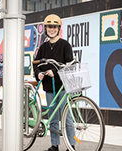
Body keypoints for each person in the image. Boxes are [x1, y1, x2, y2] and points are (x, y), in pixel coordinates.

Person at [33, 14, 76, 151]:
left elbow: (68, 64)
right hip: (49, 87)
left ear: (59, 28)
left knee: (66, 117)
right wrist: (38, 73)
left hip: (63, 87)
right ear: (46, 29)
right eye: (49, 27)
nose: (52, 29)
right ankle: (54, 145)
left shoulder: (65, 45)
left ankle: (71, 145)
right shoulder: (43, 47)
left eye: (54, 27)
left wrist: (55, 72)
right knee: (52, 117)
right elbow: (36, 64)